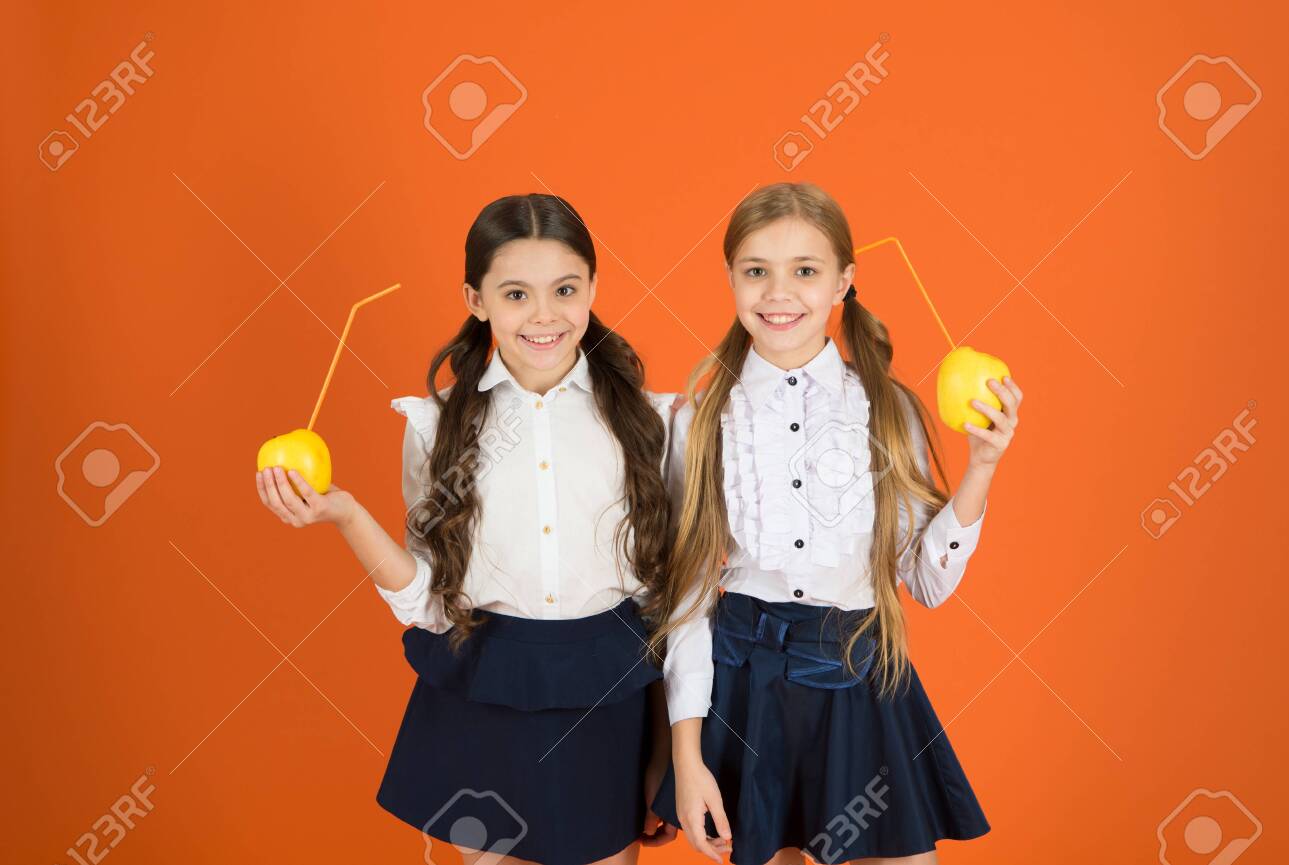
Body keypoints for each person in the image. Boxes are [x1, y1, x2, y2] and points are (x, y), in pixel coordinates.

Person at [256, 193, 679, 865]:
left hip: (608, 697)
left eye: (564, 289)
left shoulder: (653, 423)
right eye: (515, 293)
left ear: (593, 288)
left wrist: (668, 752)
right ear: (476, 299)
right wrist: (345, 513)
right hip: (484, 692)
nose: (543, 315)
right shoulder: (435, 425)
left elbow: (670, 603)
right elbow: (429, 600)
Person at [646, 181, 1024, 865]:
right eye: (756, 271)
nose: (778, 292)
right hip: (747, 690)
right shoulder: (696, 422)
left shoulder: (887, 411)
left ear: (844, 282)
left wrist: (983, 467)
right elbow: (688, 606)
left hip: (858, 678)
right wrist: (688, 754)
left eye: (806, 271)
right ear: (731, 277)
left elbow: (928, 584)